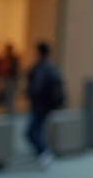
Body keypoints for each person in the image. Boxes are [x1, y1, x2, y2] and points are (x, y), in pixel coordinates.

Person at [25, 41, 65, 170]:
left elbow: (37, 86)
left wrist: (29, 93)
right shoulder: (50, 67)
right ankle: (42, 154)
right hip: (46, 105)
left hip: (40, 105)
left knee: (32, 131)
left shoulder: (41, 68)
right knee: (36, 129)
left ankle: (44, 152)